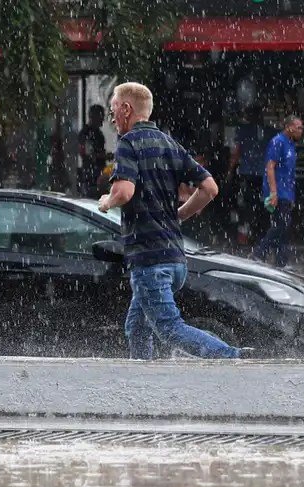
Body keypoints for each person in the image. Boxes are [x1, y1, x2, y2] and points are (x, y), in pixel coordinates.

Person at [98, 82, 244, 360]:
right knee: (137, 327)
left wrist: (107, 200)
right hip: (175, 259)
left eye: (114, 108)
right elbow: (210, 188)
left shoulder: (128, 144)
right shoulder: (168, 143)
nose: (112, 115)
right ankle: (144, 383)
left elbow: (124, 191)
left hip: (150, 259)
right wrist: (179, 215)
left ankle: (232, 357)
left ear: (127, 109)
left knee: (169, 328)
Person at [254, 115, 304, 267]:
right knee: (281, 225)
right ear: (289, 127)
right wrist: (273, 192)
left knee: (284, 226)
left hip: (287, 192)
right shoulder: (278, 142)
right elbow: (270, 167)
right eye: (298, 127)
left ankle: (281, 261)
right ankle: (259, 253)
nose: (301, 131)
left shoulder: (290, 144)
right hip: (278, 191)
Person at [227, 105, 269, 245]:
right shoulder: (266, 132)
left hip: (247, 173)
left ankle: (243, 238)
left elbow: (236, 152)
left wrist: (230, 171)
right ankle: (259, 237)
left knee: (246, 208)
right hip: (262, 175)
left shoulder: (243, 130)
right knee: (261, 207)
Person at [78, 104, 108, 198]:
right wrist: (103, 156)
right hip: (90, 176)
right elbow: (87, 153)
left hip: (98, 174)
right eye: (101, 116)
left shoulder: (99, 134)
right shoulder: (86, 133)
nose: (102, 119)